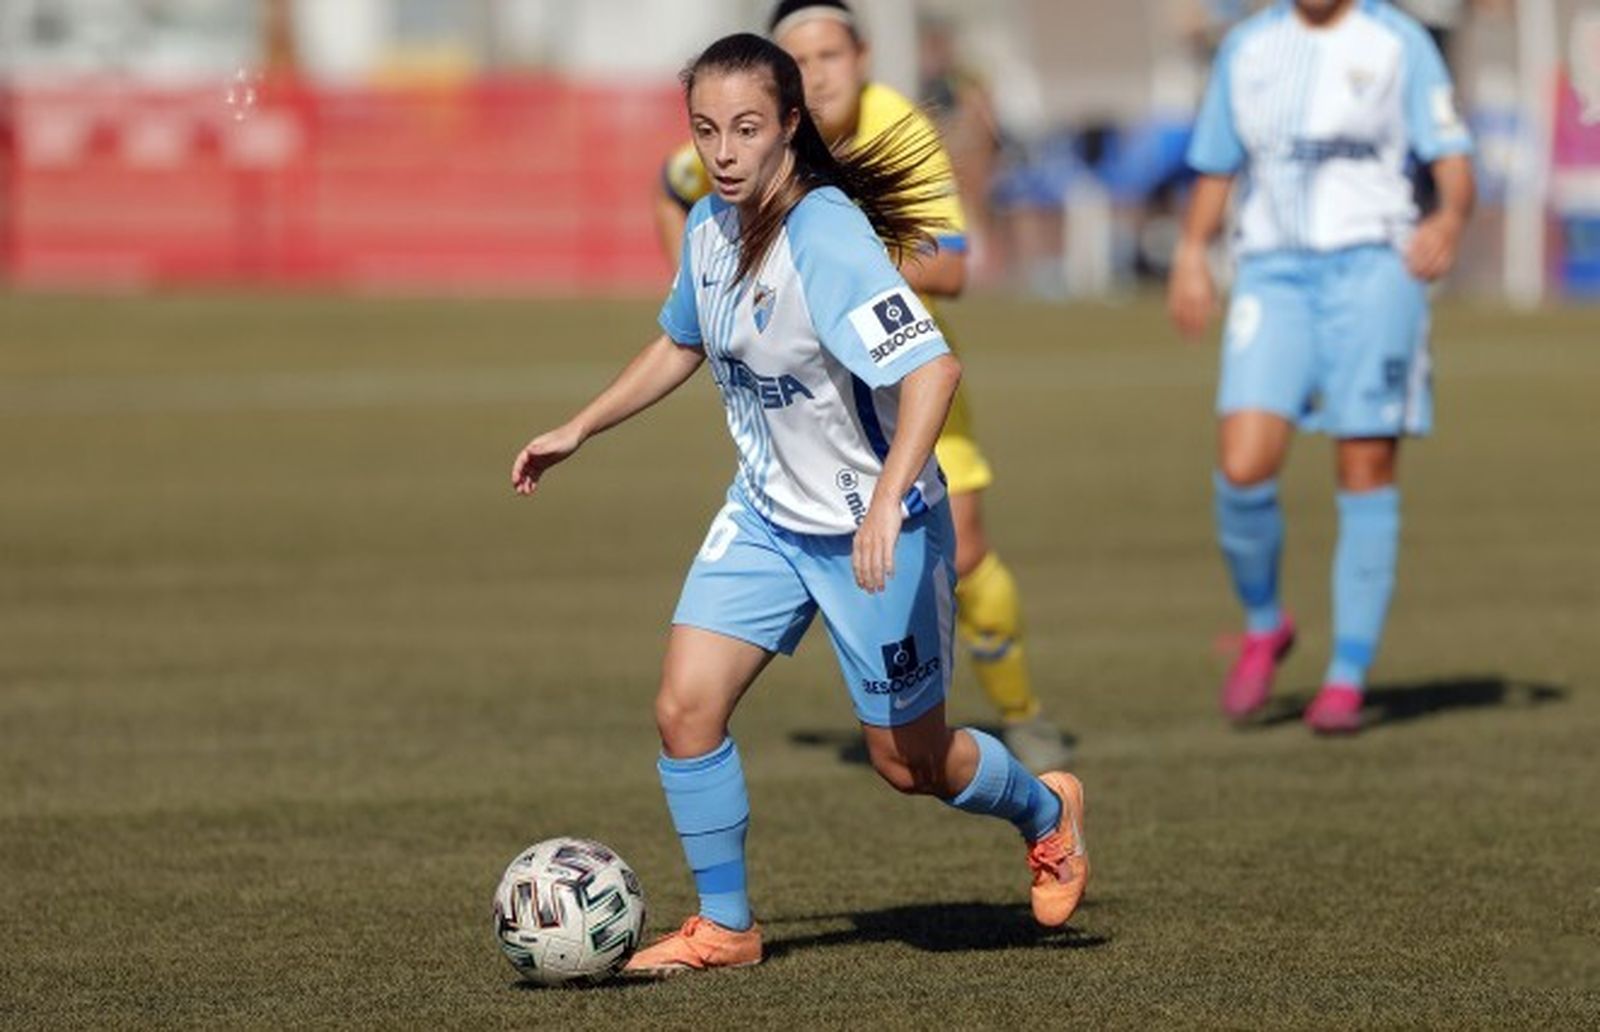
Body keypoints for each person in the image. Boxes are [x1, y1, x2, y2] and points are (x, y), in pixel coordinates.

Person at [512, 33, 1088, 976]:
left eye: (746, 128)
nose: (724, 151)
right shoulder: (707, 225)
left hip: (879, 529)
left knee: (910, 764)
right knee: (683, 710)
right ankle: (726, 928)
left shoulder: (826, 236)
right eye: (706, 131)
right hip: (769, 518)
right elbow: (679, 342)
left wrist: (884, 503)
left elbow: (934, 372)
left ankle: (1046, 810)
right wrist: (580, 427)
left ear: (789, 125)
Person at [654, 0, 1073, 774]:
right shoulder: (728, 143)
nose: (816, 76)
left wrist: (828, 260)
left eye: (830, 58)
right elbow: (673, 189)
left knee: (969, 554)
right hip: (798, 423)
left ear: (864, 59)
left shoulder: (897, 132)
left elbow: (949, 268)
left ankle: (1022, 716)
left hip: (899, 388)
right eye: (798, 61)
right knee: (688, 706)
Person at [1168, 0, 1475, 733]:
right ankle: (1265, 623)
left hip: (1374, 268)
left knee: (1364, 464)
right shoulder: (1246, 47)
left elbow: (1452, 157)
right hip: (1272, 275)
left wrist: (1449, 216)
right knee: (1242, 465)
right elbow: (1217, 162)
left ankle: (1346, 675)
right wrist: (1190, 252)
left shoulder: (1398, 41)